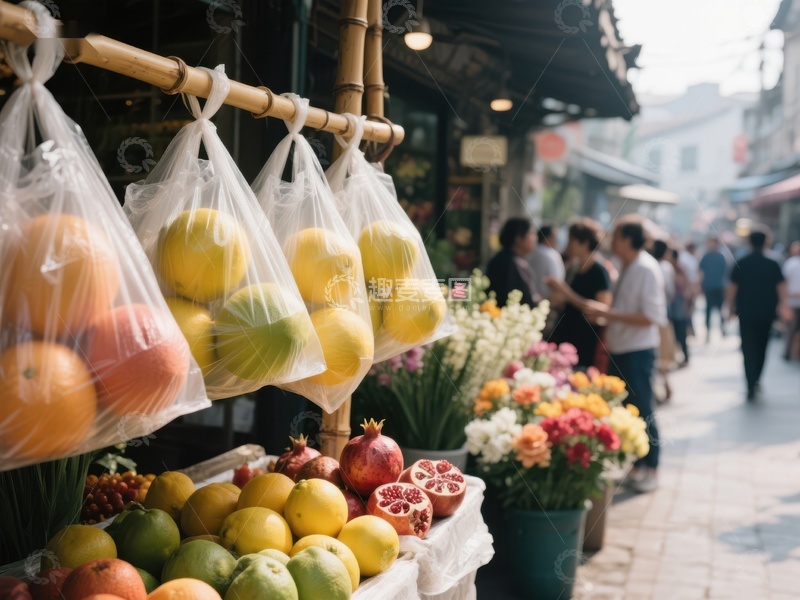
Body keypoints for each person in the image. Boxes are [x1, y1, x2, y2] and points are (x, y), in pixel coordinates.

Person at [581, 216, 667, 493]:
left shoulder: (645, 268)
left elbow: (652, 316)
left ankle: (651, 467)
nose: (611, 241)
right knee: (631, 409)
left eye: (616, 236)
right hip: (622, 349)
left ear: (628, 239)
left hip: (638, 351)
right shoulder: (629, 265)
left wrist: (607, 313)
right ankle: (639, 465)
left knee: (643, 408)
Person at [726, 227, 791, 401]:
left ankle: (750, 381)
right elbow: (781, 287)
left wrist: (729, 307)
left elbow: (732, 287)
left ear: (749, 242)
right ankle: (755, 379)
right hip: (766, 312)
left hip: (745, 312)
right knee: (762, 347)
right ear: (766, 242)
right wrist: (783, 306)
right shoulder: (773, 263)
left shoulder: (742, 262)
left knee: (748, 348)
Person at [546, 218, 612, 369]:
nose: (568, 245)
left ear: (584, 243)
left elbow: (601, 310)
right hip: (565, 335)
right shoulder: (574, 267)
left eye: (572, 241)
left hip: (584, 340)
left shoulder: (599, 272)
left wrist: (564, 290)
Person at [486, 217, 538, 307]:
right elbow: (525, 301)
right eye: (531, 233)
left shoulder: (505, 258)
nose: (535, 238)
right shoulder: (511, 264)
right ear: (518, 238)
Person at [652, 240, 676, 403]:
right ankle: (665, 385)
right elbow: (670, 292)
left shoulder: (651, 266)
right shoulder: (666, 268)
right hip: (662, 315)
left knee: (655, 355)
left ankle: (660, 388)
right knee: (661, 355)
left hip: (653, 317)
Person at [698, 237, 728, 342]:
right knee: (709, 310)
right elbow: (701, 273)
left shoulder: (721, 257)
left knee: (720, 309)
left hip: (719, 287)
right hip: (709, 287)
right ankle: (708, 332)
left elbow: (726, 274)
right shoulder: (706, 257)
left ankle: (722, 329)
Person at [529, 222, 565, 300]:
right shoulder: (552, 255)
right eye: (555, 237)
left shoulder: (528, 251)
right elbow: (557, 282)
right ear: (549, 237)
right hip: (546, 302)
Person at [669, 249, 692, 367]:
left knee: (681, 334)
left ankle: (685, 356)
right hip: (677, 308)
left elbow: (684, 289)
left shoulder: (678, 271)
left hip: (679, 309)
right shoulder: (676, 270)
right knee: (678, 334)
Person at [783, 241, 800, 360]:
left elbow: (784, 282)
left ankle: (789, 353)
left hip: (792, 300)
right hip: (792, 301)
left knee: (791, 329)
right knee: (792, 329)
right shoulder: (790, 263)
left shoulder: (789, 263)